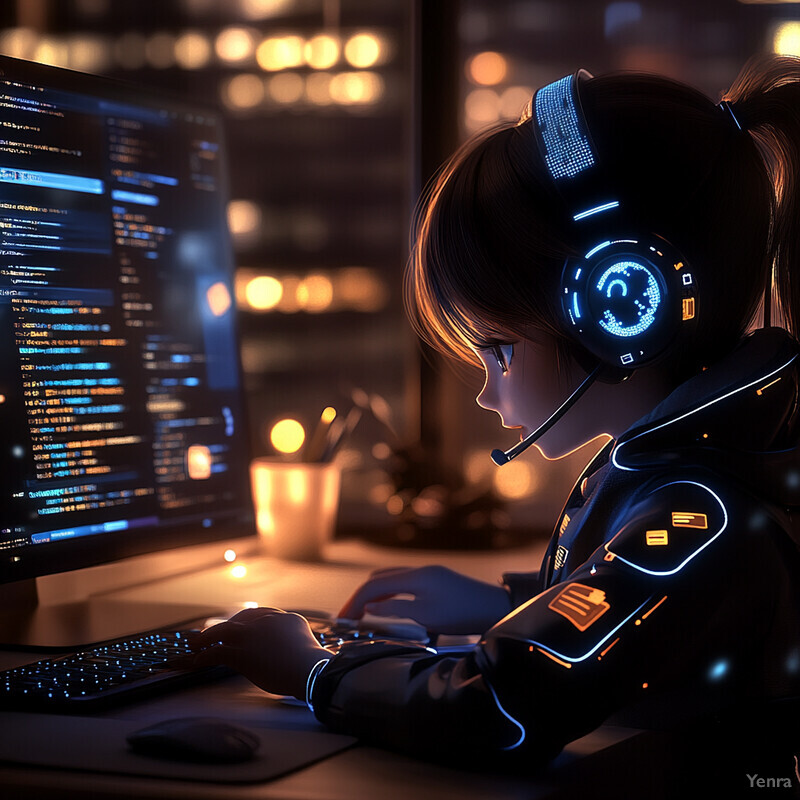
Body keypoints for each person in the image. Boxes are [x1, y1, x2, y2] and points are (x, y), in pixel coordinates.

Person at [190, 56, 800, 773]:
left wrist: (312, 670)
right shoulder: (700, 462)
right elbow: (649, 620)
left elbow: (501, 709)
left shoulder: (704, 514)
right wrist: (510, 602)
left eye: (499, 349)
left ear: (619, 309)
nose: (487, 389)